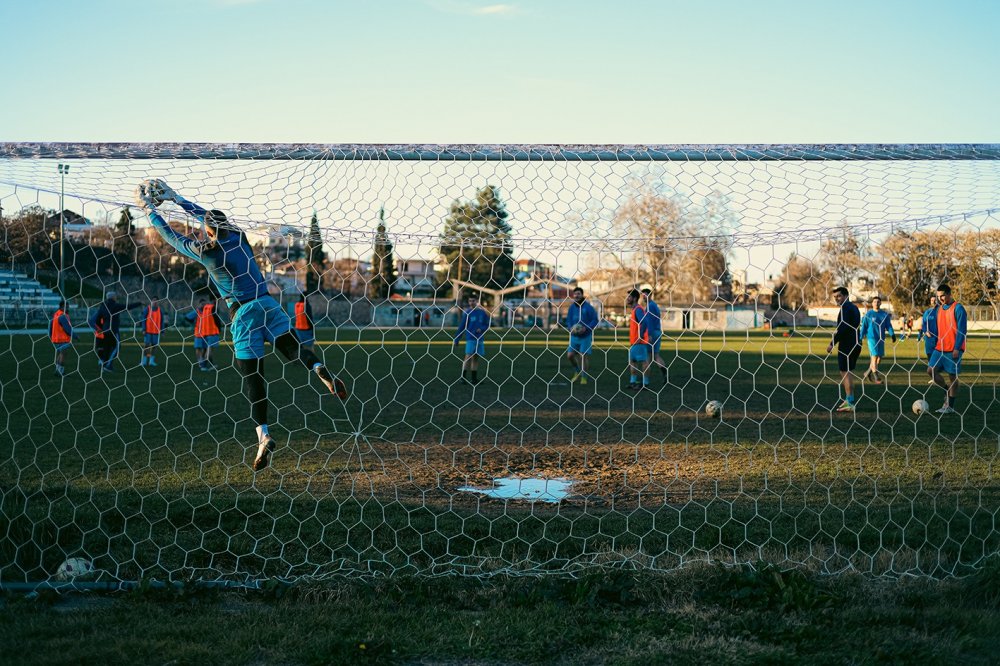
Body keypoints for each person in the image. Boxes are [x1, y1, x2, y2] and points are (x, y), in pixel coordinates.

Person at [136, 179, 347, 472]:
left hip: (244, 313)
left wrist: (150, 210)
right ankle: (318, 370)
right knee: (293, 348)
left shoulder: (208, 252)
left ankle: (263, 435)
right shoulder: (238, 236)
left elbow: (171, 237)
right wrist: (177, 199)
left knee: (254, 379)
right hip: (268, 303)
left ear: (208, 231)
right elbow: (209, 218)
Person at [929, 284, 967, 415]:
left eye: (943, 295)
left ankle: (950, 406)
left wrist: (957, 348)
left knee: (952, 377)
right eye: (938, 296)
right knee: (931, 371)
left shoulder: (958, 308)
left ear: (950, 294)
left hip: (953, 349)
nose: (940, 299)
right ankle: (946, 390)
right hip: (940, 348)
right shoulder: (939, 309)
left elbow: (962, 330)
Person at [825, 286, 862, 412]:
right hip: (856, 343)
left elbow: (843, 328)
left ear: (846, 296)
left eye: (839, 296)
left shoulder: (846, 308)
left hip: (847, 345)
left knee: (845, 372)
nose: (837, 299)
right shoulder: (854, 307)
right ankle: (849, 400)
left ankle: (850, 402)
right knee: (848, 372)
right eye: (835, 297)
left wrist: (832, 343)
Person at [89, 291, 142, 372]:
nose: (116, 298)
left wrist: (100, 328)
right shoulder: (115, 306)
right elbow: (128, 306)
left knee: (107, 348)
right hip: (113, 330)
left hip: (105, 331)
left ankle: (104, 365)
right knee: (117, 347)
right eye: (115, 296)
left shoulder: (103, 306)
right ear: (113, 297)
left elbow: (97, 319)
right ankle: (108, 365)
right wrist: (139, 303)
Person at [565, 286, 599, 385]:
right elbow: (568, 320)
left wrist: (586, 328)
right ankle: (577, 371)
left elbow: (595, 320)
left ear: (582, 295)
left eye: (579, 294)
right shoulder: (571, 307)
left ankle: (584, 377)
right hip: (574, 336)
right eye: (575, 294)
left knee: (583, 356)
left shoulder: (588, 307)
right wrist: (570, 328)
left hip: (585, 336)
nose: (577, 295)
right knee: (570, 355)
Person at [454, 294, 490, 385]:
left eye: (473, 301)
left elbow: (487, 324)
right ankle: (463, 377)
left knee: (476, 358)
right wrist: (457, 339)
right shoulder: (467, 313)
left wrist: (481, 329)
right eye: (470, 301)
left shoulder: (482, 313)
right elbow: (462, 326)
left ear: (477, 301)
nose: (471, 303)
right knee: (468, 357)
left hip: (480, 339)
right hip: (470, 338)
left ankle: (474, 379)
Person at [859, 296, 896, 385]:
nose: (876, 303)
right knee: (874, 357)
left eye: (878, 302)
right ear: (872, 303)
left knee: (879, 359)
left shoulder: (884, 315)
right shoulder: (868, 314)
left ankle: (867, 373)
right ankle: (877, 378)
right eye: (874, 302)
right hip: (872, 338)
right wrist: (860, 338)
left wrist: (892, 334)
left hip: (881, 339)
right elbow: (864, 326)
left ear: (880, 303)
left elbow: (889, 326)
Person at [186, 297, 223, 371]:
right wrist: (194, 324)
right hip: (198, 333)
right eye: (202, 304)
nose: (203, 305)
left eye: (204, 304)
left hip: (205, 333)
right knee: (198, 348)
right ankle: (201, 362)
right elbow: (187, 317)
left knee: (205, 349)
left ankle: (204, 363)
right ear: (199, 304)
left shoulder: (208, 311)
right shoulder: (197, 312)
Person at [640, 286, 667, 383]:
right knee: (656, 356)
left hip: (652, 333)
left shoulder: (650, 306)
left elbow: (649, 321)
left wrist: (649, 334)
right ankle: (664, 371)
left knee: (647, 356)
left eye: (645, 295)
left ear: (650, 295)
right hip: (658, 332)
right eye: (642, 295)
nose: (643, 297)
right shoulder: (654, 305)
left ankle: (645, 381)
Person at [626, 289, 651, 391]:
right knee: (633, 362)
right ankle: (633, 382)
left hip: (639, 342)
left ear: (635, 298)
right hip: (635, 342)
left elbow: (644, 322)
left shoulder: (638, 310)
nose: (627, 299)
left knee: (644, 362)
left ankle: (645, 384)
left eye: (629, 297)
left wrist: (640, 336)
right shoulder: (635, 309)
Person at [49, 300, 78, 377]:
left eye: (68, 306)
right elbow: (67, 328)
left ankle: (57, 370)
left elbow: (50, 325)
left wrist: (51, 335)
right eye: (66, 306)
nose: (68, 308)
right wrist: (75, 336)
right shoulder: (62, 316)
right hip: (62, 339)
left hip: (56, 338)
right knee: (63, 354)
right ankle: (61, 372)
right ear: (62, 307)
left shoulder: (56, 314)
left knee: (60, 354)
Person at [917, 295, 938, 385]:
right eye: (931, 300)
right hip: (929, 339)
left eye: (934, 300)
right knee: (930, 358)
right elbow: (924, 324)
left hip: (939, 338)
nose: (933, 301)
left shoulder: (940, 311)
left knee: (938, 358)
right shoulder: (927, 312)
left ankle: (937, 377)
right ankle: (934, 378)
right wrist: (925, 332)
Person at [140, 297, 166, 367]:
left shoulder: (160, 310)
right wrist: (143, 329)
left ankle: (151, 361)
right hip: (148, 331)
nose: (155, 302)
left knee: (154, 346)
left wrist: (163, 331)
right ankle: (144, 361)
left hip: (156, 332)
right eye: (154, 301)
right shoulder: (147, 309)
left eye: (157, 301)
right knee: (146, 346)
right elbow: (143, 320)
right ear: (151, 301)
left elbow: (162, 321)